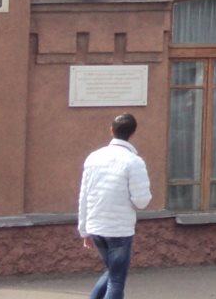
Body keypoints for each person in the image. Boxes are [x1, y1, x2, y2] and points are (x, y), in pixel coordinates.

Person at [77, 113, 152, 299]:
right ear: (133, 133)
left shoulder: (93, 158)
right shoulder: (134, 162)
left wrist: (84, 230)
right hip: (119, 230)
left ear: (111, 130)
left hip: (96, 227)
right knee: (117, 280)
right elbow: (141, 201)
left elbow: (84, 195)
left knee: (112, 272)